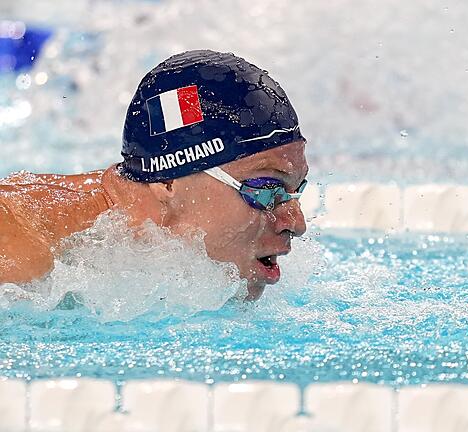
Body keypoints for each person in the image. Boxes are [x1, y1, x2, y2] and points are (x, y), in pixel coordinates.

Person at [0, 50, 308, 299]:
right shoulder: (20, 252)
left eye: (296, 191)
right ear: (167, 180)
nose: (296, 224)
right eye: (266, 189)